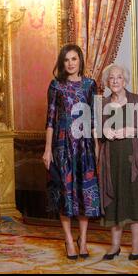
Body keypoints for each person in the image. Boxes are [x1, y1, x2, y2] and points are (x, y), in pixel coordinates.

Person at [43, 44, 101, 260]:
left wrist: (96, 144)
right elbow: (49, 120)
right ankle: (68, 240)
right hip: (62, 144)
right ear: (62, 62)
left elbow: (93, 118)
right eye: (66, 60)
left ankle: (83, 240)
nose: (70, 63)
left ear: (80, 61)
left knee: (84, 193)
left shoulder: (89, 85)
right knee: (65, 193)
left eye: (74, 59)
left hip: (84, 144)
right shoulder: (56, 85)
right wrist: (48, 150)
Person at [98, 64, 138, 261]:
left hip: (132, 159)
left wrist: (131, 131)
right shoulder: (103, 104)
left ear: (125, 80)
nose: (115, 81)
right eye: (111, 78)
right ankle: (115, 245)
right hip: (111, 159)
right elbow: (97, 132)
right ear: (107, 82)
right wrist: (104, 132)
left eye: (119, 77)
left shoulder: (136, 100)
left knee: (134, 200)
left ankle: (137, 244)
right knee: (115, 199)